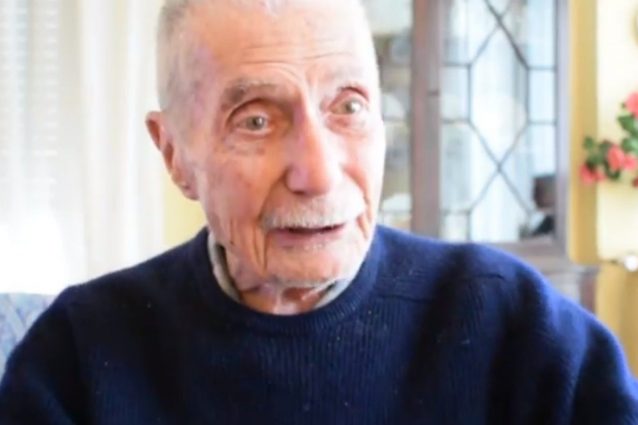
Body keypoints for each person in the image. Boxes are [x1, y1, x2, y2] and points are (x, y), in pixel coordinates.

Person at [1, 0, 637, 423]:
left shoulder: (517, 327)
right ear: (174, 154)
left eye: (349, 106)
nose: (320, 172)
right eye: (255, 119)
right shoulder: (78, 357)